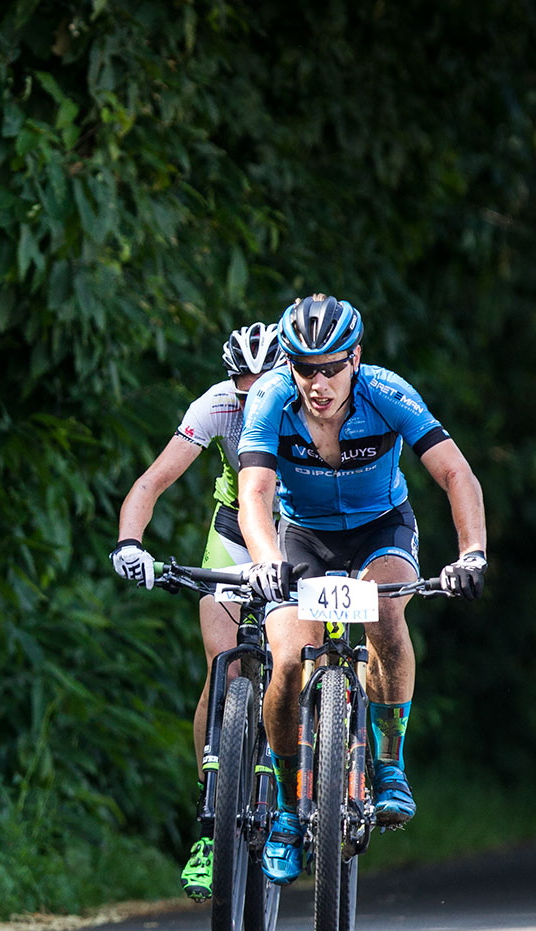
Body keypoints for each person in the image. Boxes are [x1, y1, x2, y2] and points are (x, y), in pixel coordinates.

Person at [234, 294, 488, 884]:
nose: (317, 382)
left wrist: (471, 552)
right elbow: (255, 494)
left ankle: (390, 763)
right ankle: (290, 810)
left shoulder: (387, 392)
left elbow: (456, 473)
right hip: (303, 537)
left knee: (386, 616)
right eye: (304, 368)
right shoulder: (272, 398)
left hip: (382, 528)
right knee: (289, 662)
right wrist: (267, 559)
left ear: (355, 359)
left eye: (331, 367)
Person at [111, 322, 284, 900]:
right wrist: (130, 544)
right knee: (223, 666)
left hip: (295, 530)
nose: (252, 393)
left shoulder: (307, 400)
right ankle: (212, 814)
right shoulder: (215, 406)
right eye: (242, 384)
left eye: (263, 381)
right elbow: (152, 481)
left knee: (291, 661)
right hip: (235, 531)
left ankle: (294, 777)